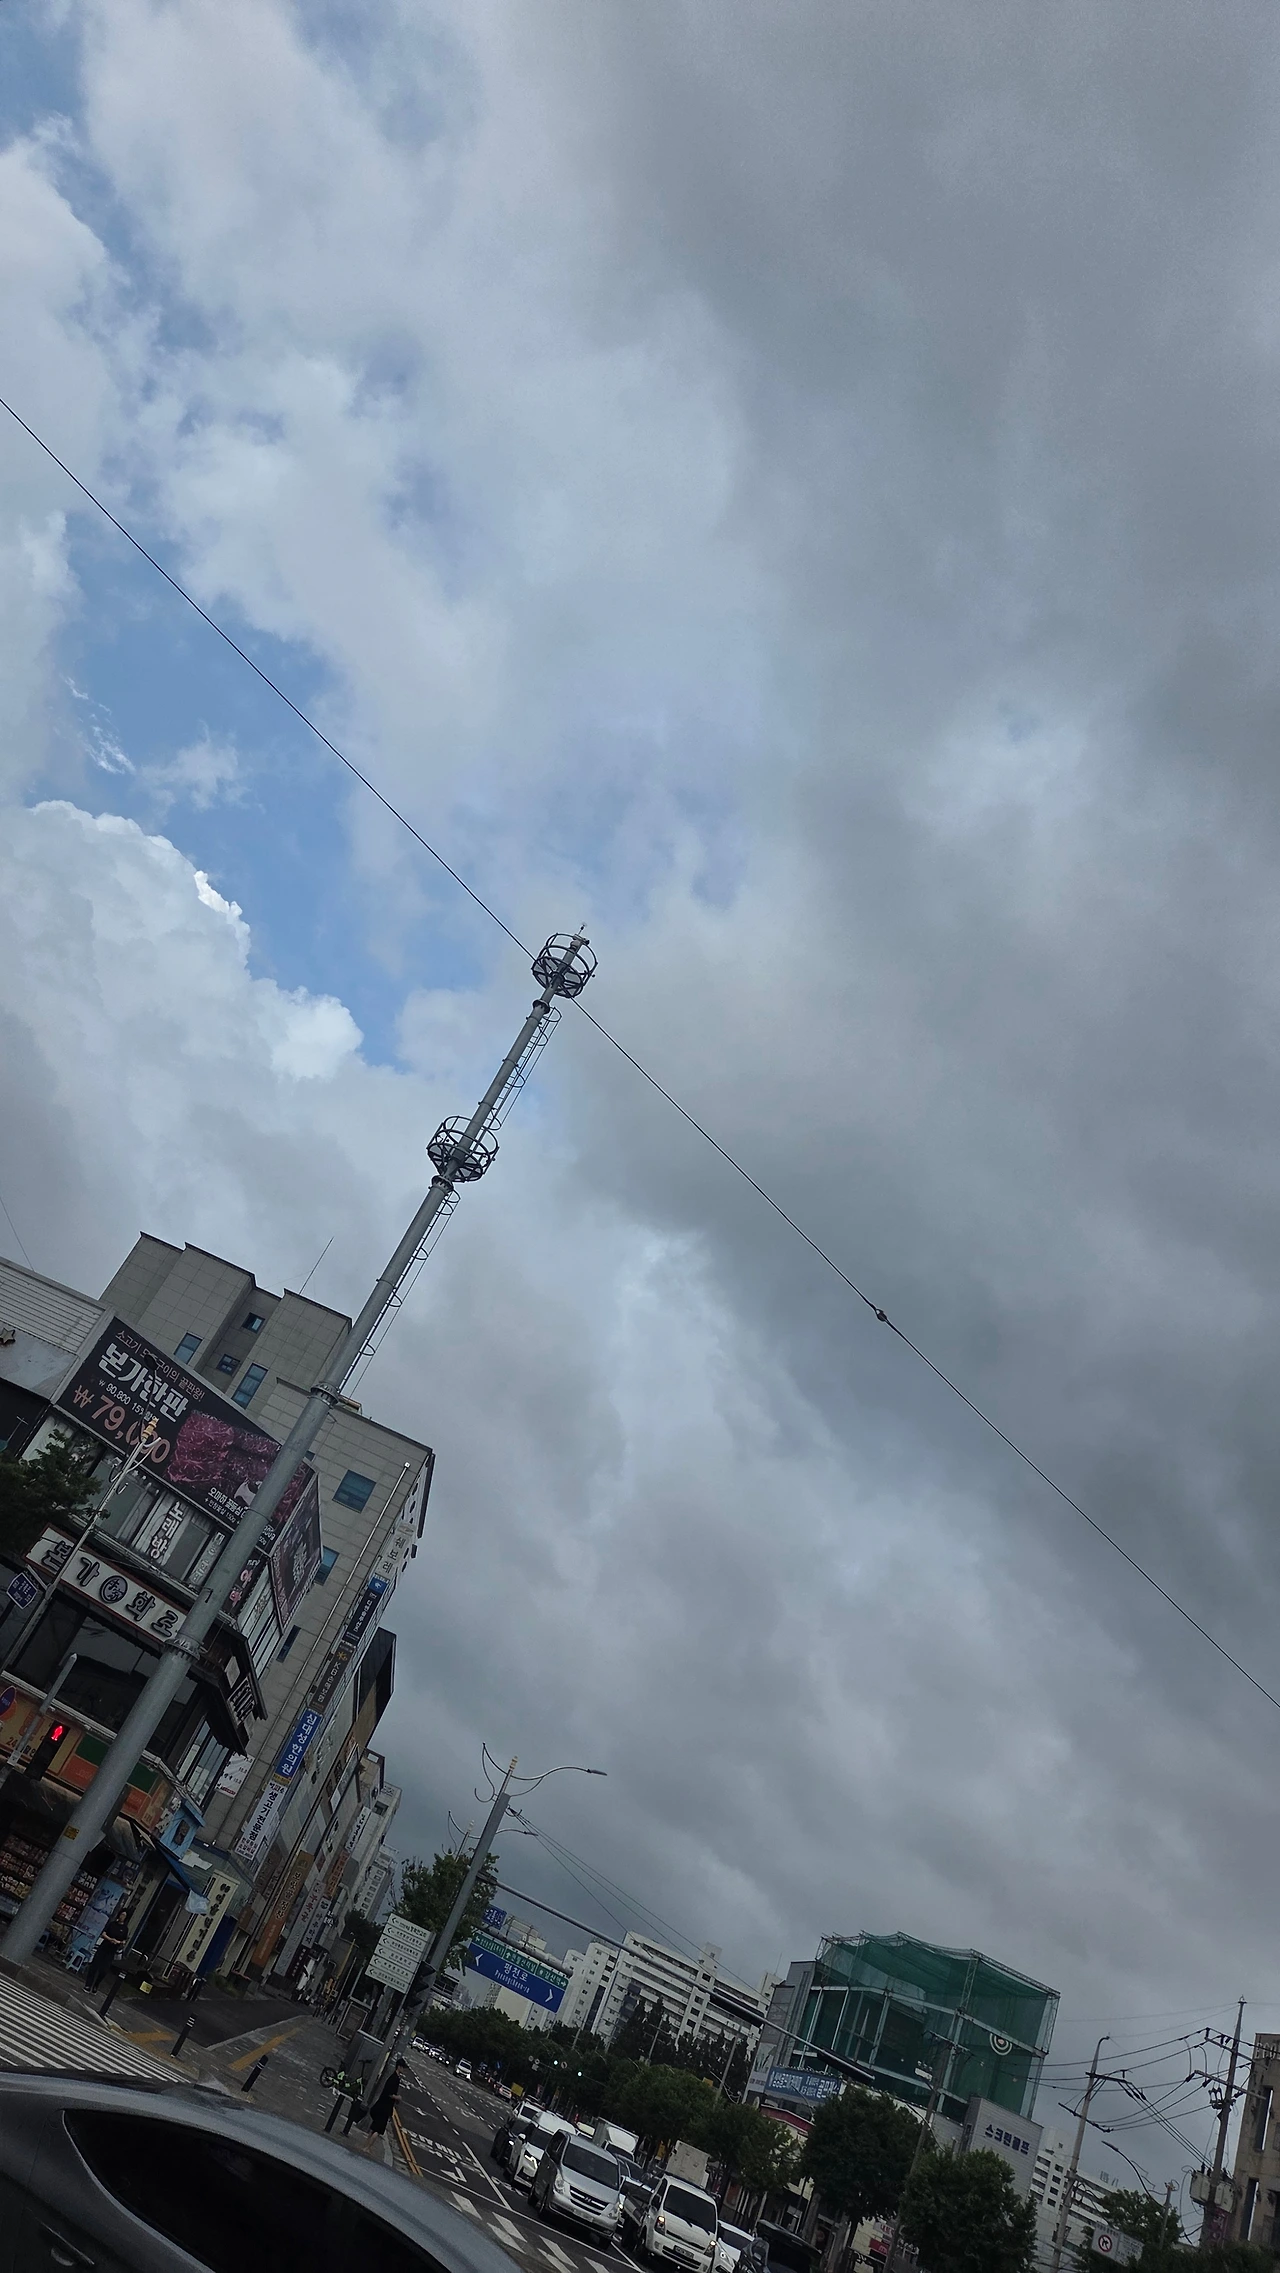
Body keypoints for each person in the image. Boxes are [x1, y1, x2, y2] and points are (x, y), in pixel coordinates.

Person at [360, 2062, 404, 2162]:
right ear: (399, 2067)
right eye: (403, 2067)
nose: (403, 2070)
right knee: (378, 2130)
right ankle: (367, 2148)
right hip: (385, 2108)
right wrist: (397, 2097)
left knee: (373, 2128)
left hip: (381, 2105)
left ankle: (365, 2146)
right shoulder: (395, 2079)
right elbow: (390, 2094)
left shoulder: (393, 2077)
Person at [86, 1907, 128, 1992]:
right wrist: (110, 1939)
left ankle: (96, 1984)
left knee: (104, 1970)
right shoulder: (112, 1924)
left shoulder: (125, 1929)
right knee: (94, 1966)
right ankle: (88, 1984)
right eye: (121, 1914)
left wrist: (118, 1942)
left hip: (112, 1951)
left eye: (124, 1915)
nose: (122, 1916)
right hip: (104, 1947)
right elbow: (104, 1933)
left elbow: (124, 1941)